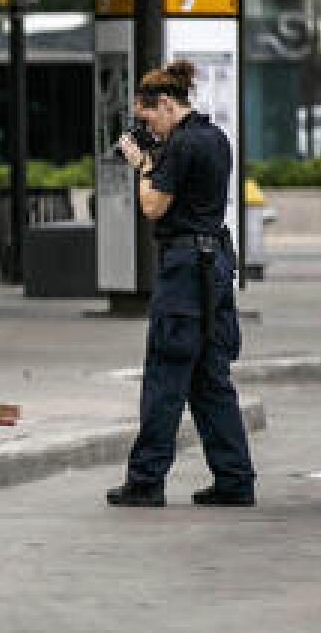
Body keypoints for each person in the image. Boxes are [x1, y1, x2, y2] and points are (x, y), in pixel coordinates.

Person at [106, 60, 256, 507]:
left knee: (165, 375)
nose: (144, 126)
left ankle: (146, 480)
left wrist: (142, 163)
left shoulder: (182, 145)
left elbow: (153, 206)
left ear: (167, 104)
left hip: (186, 271)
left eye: (148, 116)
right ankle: (234, 479)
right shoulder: (216, 139)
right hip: (214, 267)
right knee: (210, 377)